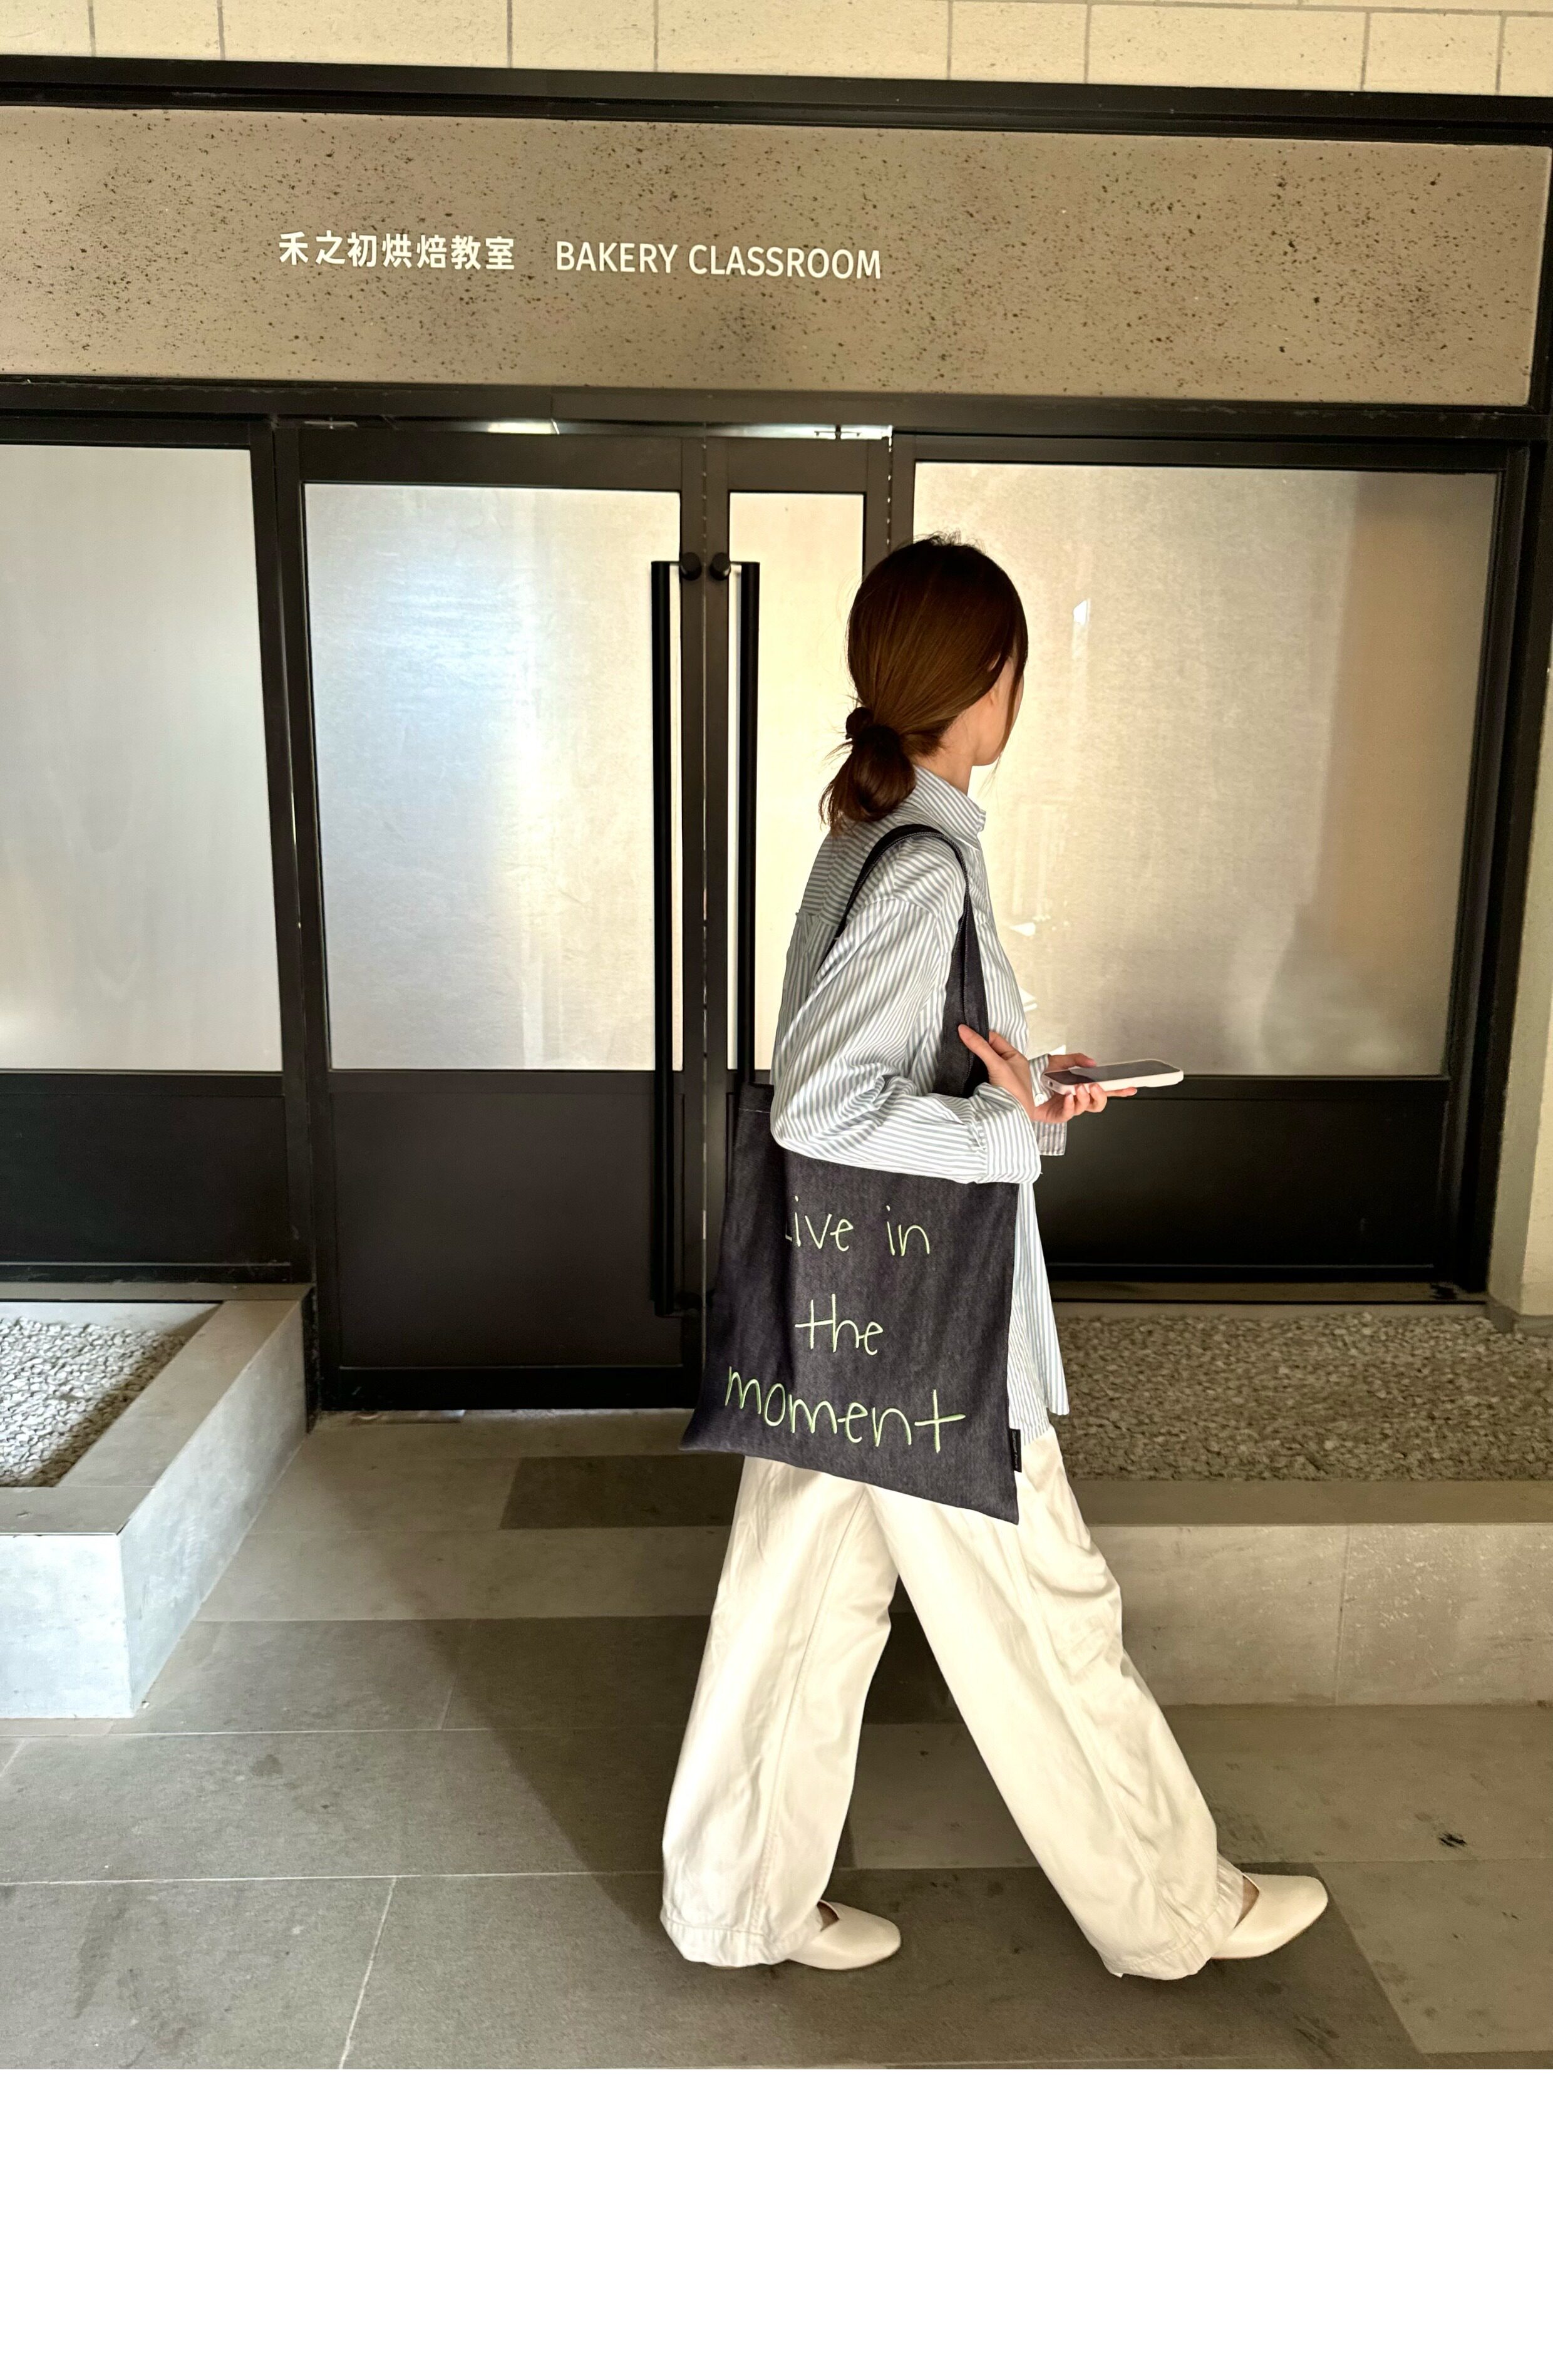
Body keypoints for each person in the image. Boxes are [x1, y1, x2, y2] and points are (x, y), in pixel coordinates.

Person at [660, 535, 1327, 1980]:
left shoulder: (867, 837)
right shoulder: (923, 863)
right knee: (1051, 1623)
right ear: (987, 680)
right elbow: (822, 1102)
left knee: (794, 1614)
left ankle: (735, 1906)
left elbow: (888, 1066)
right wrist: (1005, 1133)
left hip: (843, 1323)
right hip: (934, 1339)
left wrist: (1022, 1091)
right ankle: (1176, 1913)